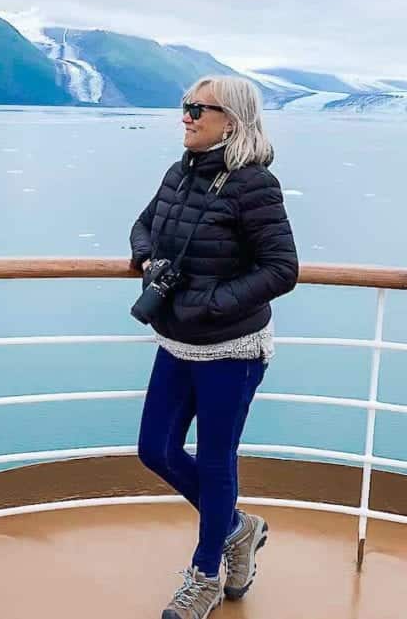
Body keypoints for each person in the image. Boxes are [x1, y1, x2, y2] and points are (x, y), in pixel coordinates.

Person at [129, 75, 299, 619]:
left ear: (232, 120)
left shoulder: (254, 185)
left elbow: (282, 268)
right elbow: (144, 226)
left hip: (233, 348)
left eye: (198, 109)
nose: (187, 116)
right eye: (185, 106)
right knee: (154, 449)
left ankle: (205, 575)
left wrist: (215, 302)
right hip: (176, 342)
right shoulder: (180, 173)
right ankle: (237, 528)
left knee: (217, 459)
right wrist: (148, 259)